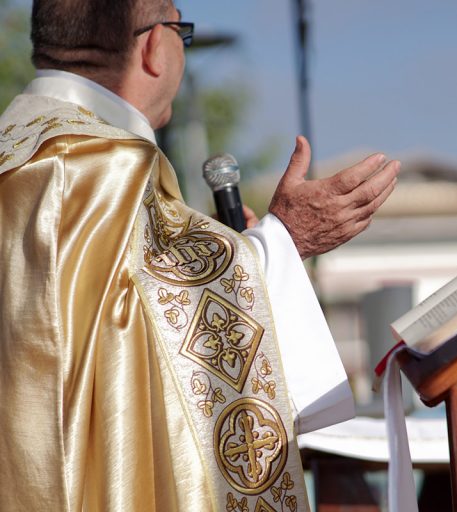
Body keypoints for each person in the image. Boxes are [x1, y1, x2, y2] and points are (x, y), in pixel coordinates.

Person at [0, 0, 400, 510]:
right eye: (182, 34)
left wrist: (239, 250)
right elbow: (155, 332)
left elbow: (110, 329)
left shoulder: (18, 154)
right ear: (153, 46)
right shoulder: (101, 167)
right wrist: (284, 242)